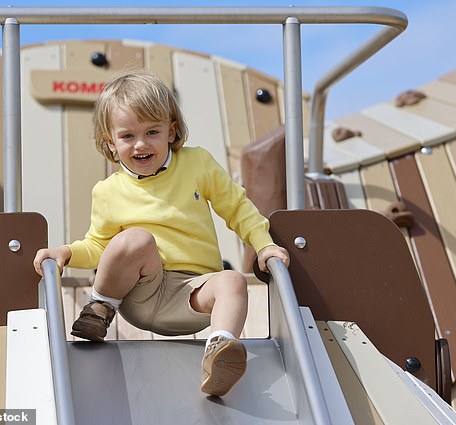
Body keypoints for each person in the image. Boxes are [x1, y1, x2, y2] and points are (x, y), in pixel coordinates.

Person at [33, 71, 289, 397]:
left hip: (192, 296)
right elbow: (98, 244)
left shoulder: (197, 164)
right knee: (135, 240)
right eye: (128, 136)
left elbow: (237, 208)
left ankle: (219, 353)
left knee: (233, 281)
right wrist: (66, 252)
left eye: (152, 131)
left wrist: (264, 246)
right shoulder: (108, 191)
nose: (141, 144)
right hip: (139, 294)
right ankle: (99, 308)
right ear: (111, 142)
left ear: (172, 130)